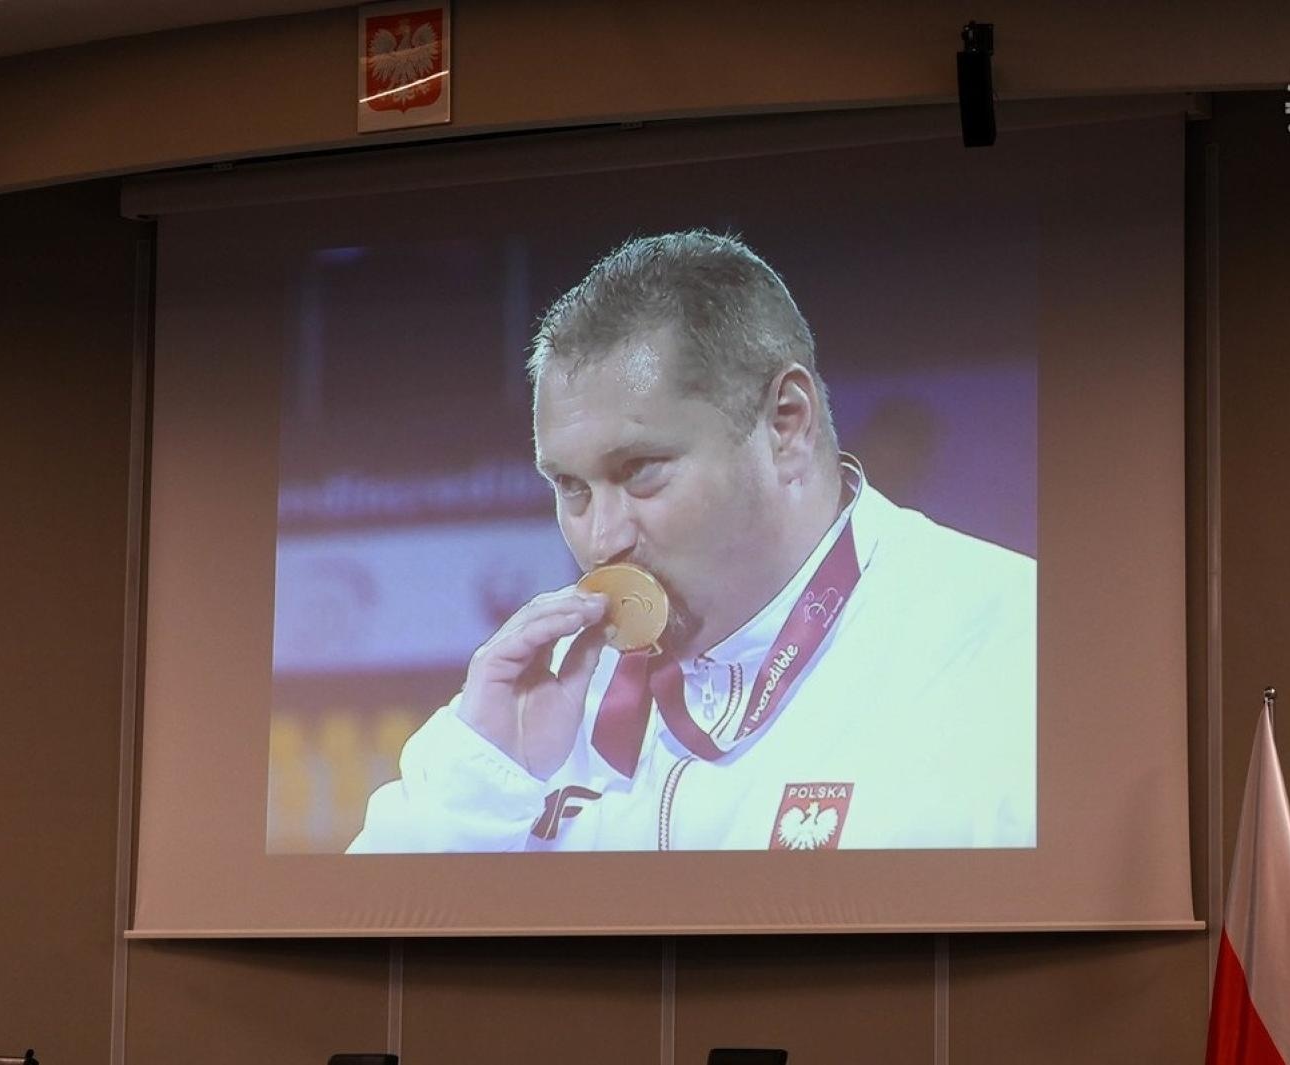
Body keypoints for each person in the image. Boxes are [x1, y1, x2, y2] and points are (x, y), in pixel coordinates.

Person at [348, 230, 1034, 853]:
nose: (600, 539)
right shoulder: (532, 700)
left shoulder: (1010, 654)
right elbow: (359, 974)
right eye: (571, 487)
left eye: (640, 471)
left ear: (786, 424)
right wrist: (484, 779)